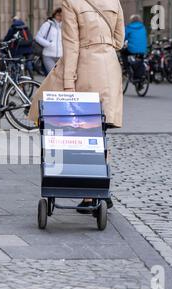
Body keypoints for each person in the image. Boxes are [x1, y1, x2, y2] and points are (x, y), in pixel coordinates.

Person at [29, 0, 125, 209]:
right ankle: (102, 188)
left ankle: (89, 193)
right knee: (101, 130)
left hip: (85, 67)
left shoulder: (71, 3)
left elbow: (71, 46)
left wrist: (67, 84)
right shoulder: (114, 1)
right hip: (109, 66)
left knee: (82, 131)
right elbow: (119, 40)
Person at [35, 8, 63, 74]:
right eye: (58, 15)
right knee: (52, 75)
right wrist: (48, 44)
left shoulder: (64, 26)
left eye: (62, 15)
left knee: (60, 76)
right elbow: (38, 37)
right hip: (48, 56)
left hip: (61, 57)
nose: (60, 17)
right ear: (54, 15)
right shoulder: (48, 24)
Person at [121, 14, 148, 79]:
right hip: (142, 50)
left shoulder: (129, 27)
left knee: (123, 53)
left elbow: (124, 37)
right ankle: (139, 78)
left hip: (132, 49)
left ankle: (126, 68)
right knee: (140, 60)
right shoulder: (143, 27)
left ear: (131, 20)